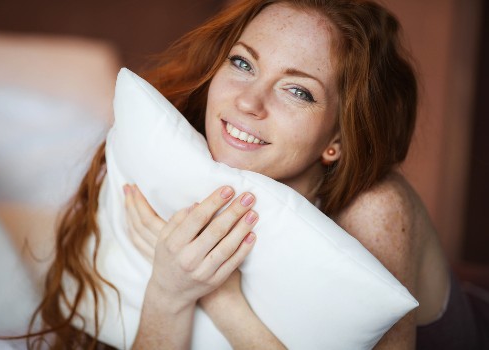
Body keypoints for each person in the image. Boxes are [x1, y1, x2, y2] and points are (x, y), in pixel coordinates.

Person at [25, 0, 487, 349]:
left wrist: (222, 299)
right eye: (243, 63)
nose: (248, 102)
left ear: (337, 141)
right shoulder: (172, 166)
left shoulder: (375, 207)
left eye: (298, 91)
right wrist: (169, 292)